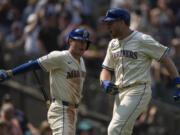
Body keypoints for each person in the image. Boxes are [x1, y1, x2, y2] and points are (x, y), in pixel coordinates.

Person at [99, 8, 180, 135]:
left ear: (122, 22)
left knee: (114, 130)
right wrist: (104, 82)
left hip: (137, 90)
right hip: (119, 92)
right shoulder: (112, 44)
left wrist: (177, 82)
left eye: (111, 23)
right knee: (123, 131)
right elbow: (106, 69)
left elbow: (165, 58)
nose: (107, 26)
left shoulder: (142, 39)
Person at [0, 27, 91, 135]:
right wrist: (10, 73)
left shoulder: (82, 62)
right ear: (70, 41)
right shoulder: (60, 56)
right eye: (80, 41)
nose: (83, 45)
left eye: (85, 42)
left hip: (72, 111)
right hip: (61, 109)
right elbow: (34, 64)